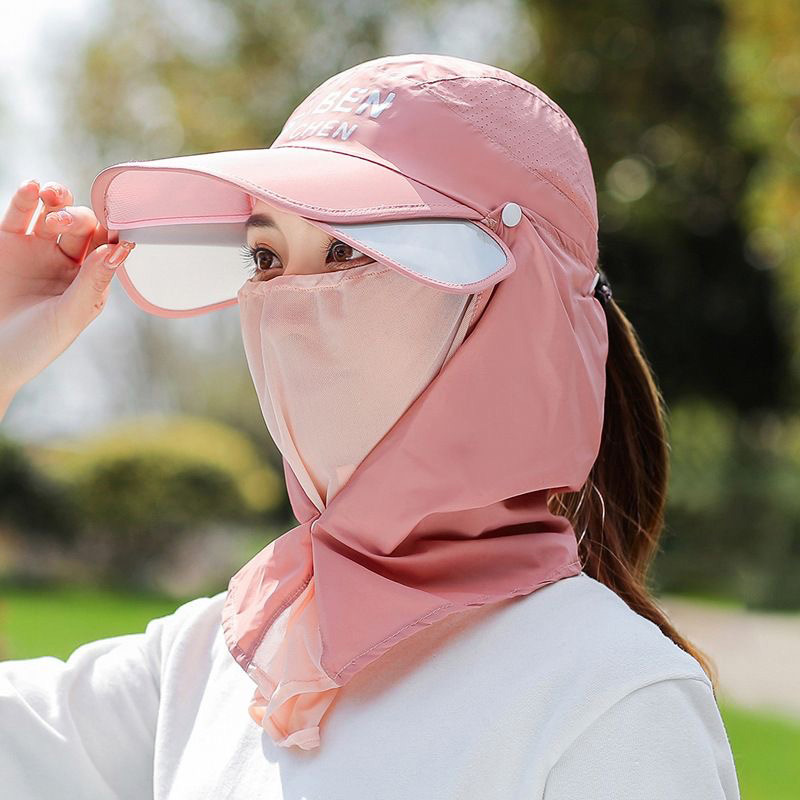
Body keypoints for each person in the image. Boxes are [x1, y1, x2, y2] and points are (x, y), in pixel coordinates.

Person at [0, 53, 741, 798]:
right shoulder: (215, 656)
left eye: (348, 248)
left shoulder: (612, 702)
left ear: (515, 312)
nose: (287, 303)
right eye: (265, 255)